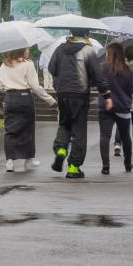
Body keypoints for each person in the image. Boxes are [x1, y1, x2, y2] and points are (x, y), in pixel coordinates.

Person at [46, 31, 104, 179]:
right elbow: (97, 74)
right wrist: (105, 92)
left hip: (63, 94)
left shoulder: (60, 49)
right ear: (85, 35)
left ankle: (61, 150)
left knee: (64, 124)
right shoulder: (88, 50)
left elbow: (51, 69)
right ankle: (74, 167)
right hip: (80, 95)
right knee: (79, 130)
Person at [0, 47, 49, 172]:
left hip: (10, 98)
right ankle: (29, 158)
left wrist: (10, 89)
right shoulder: (28, 64)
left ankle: (9, 160)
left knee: (10, 130)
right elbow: (35, 86)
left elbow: (0, 87)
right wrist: (50, 100)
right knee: (28, 128)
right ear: (21, 51)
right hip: (25, 98)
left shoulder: (4, 65)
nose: (28, 51)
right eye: (27, 49)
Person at [96, 42, 133, 176]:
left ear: (108, 53)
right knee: (126, 136)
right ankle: (128, 164)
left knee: (105, 136)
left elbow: (97, 83)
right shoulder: (128, 70)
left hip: (105, 106)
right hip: (123, 107)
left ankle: (105, 166)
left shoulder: (102, 68)